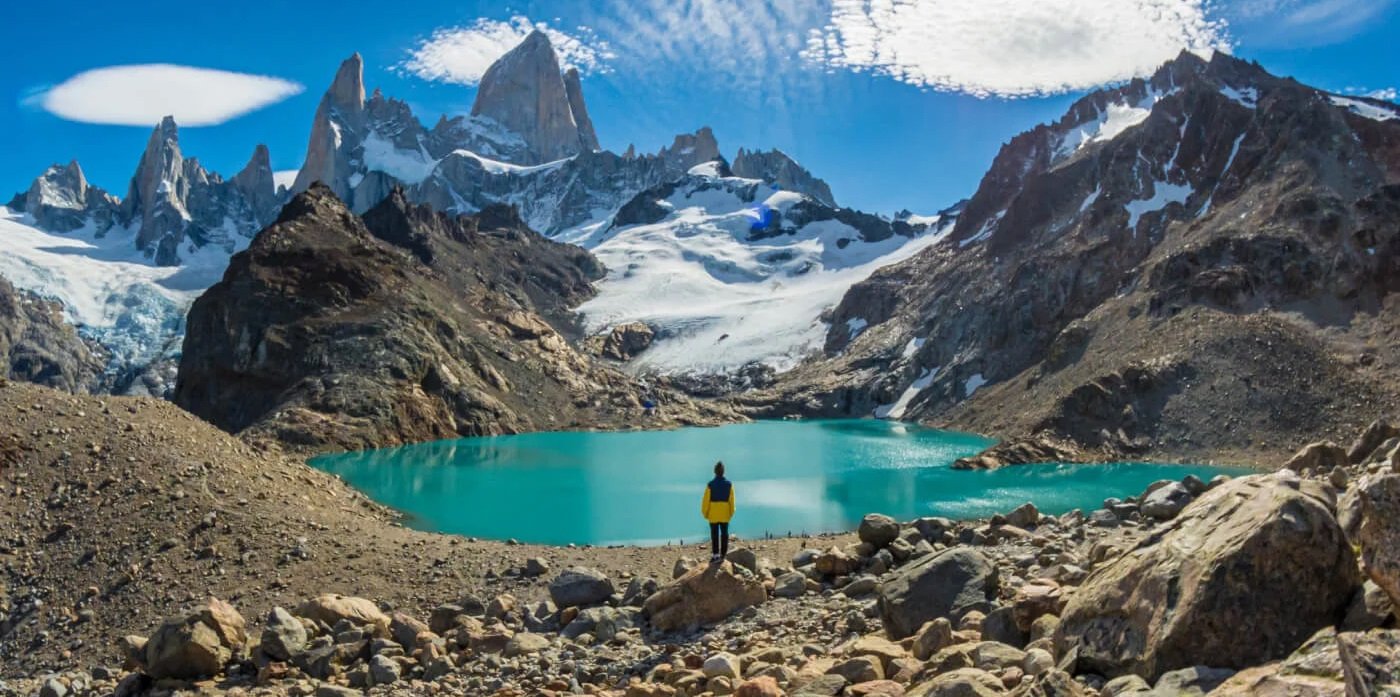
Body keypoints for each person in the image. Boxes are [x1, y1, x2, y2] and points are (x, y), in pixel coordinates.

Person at [701, 461, 734, 563]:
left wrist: (705, 513)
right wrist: (730, 513)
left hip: (713, 514)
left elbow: (705, 501)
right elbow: (732, 502)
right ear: (723, 472)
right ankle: (723, 554)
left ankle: (715, 554)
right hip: (725, 513)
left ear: (715, 472)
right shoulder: (729, 484)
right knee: (724, 534)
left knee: (714, 534)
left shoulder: (710, 485)